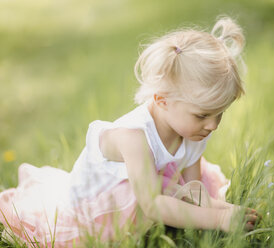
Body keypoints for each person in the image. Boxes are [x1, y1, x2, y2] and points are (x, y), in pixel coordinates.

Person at [0, 16, 260, 247]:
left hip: (145, 184)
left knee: (177, 189)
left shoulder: (194, 130)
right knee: (143, 202)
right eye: (203, 115)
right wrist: (219, 218)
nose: (213, 125)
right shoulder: (133, 136)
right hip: (96, 206)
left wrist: (228, 210)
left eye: (220, 114)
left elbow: (193, 191)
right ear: (161, 100)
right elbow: (151, 204)